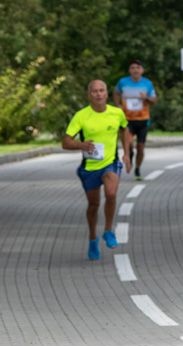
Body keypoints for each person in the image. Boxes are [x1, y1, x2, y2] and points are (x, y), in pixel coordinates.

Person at [62, 80, 131, 261]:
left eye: (102, 90)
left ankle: (108, 231)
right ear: (89, 95)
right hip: (90, 167)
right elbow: (66, 141)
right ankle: (93, 238)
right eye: (95, 91)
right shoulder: (81, 116)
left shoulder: (117, 113)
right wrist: (81, 144)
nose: (99, 94)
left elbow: (125, 130)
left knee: (111, 193)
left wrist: (127, 154)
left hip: (110, 163)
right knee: (93, 205)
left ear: (107, 93)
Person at [113, 59, 157, 180]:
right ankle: (129, 155)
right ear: (129, 70)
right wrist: (118, 106)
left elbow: (154, 100)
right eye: (132, 68)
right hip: (127, 119)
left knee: (140, 147)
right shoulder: (123, 82)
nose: (135, 70)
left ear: (142, 70)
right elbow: (116, 93)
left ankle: (137, 168)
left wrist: (146, 97)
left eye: (138, 68)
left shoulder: (147, 83)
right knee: (129, 144)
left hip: (142, 119)